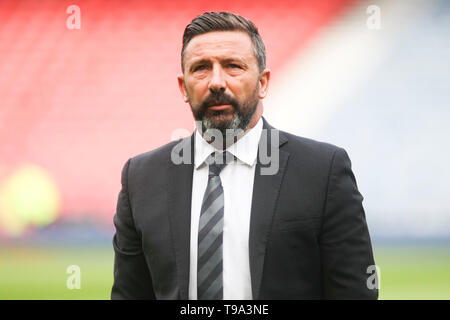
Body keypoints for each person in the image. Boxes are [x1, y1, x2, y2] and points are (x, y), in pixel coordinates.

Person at [111, 11, 378, 300]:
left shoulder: (322, 172)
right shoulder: (141, 178)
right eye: (201, 68)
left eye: (233, 66)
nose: (216, 82)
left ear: (263, 82)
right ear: (183, 87)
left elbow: (354, 294)